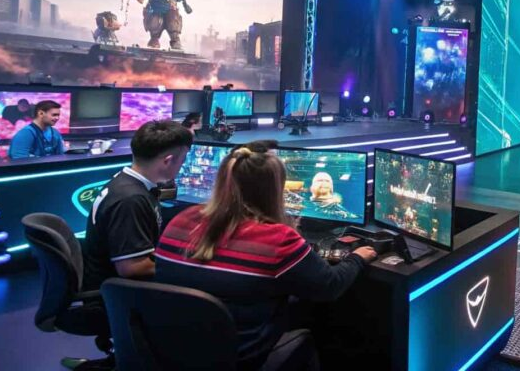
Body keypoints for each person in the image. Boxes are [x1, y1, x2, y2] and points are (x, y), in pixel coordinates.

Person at [155, 147, 376, 370]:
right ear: (275, 190)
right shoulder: (279, 239)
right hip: (241, 357)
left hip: (170, 352)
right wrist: (357, 257)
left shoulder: (180, 221)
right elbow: (330, 286)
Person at [81, 120, 193, 291]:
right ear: (168, 161)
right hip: (118, 297)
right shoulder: (131, 200)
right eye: (182, 160)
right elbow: (132, 267)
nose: (182, 166)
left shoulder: (127, 182)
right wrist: (184, 267)